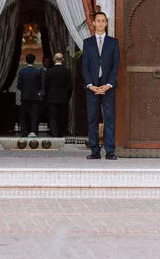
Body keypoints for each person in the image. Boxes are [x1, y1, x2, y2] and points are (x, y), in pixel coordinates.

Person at [80, 10, 119, 159]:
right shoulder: (87, 43)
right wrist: (90, 84)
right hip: (92, 87)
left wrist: (109, 84)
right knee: (92, 118)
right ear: (94, 23)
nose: (101, 23)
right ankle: (94, 150)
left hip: (108, 86)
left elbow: (115, 65)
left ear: (106, 23)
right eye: (98, 20)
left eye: (103, 20)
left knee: (109, 118)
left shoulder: (113, 42)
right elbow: (85, 65)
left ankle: (110, 151)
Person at [44, 51, 73, 138]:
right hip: (63, 97)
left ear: (54, 59)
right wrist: (67, 97)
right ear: (62, 60)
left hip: (52, 98)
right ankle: (61, 133)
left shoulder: (49, 71)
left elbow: (46, 85)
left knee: (52, 117)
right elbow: (70, 86)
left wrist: (47, 96)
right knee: (61, 116)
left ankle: (54, 133)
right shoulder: (67, 71)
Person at [15, 53, 44, 137]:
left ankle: (23, 132)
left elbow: (19, 85)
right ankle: (34, 132)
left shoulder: (22, 71)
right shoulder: (37, 72)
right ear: (34, 61)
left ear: (26, 61)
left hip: (24, 97)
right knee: (34, 116)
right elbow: (40, 85)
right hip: (34, 98)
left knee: (23, 116)